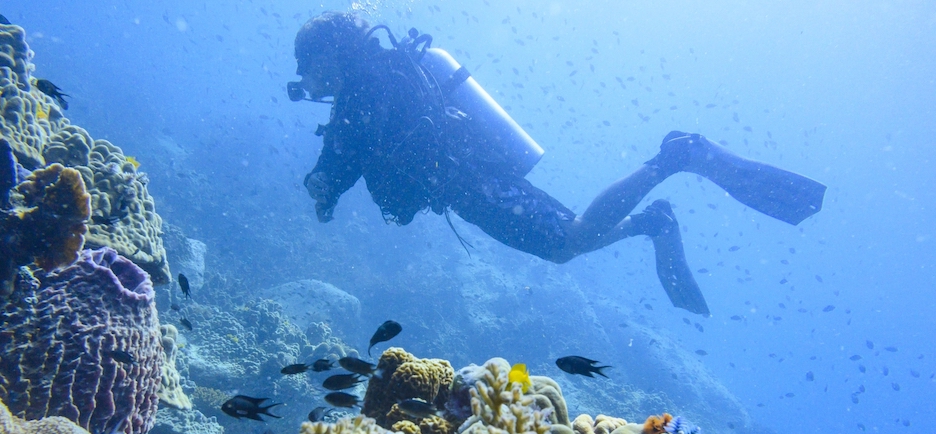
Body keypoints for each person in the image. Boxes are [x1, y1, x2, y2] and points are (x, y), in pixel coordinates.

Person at [288, 12, 826, 315]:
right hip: (471, 183)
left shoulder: (363, 88)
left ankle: (676, 157)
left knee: (566, 239)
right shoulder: (381, 77)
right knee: (567, 244)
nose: (305, 82)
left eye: (306, 68)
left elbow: (339, 162)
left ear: (331, 55)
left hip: (474, 183)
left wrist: (320, 188)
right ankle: (651, 220)